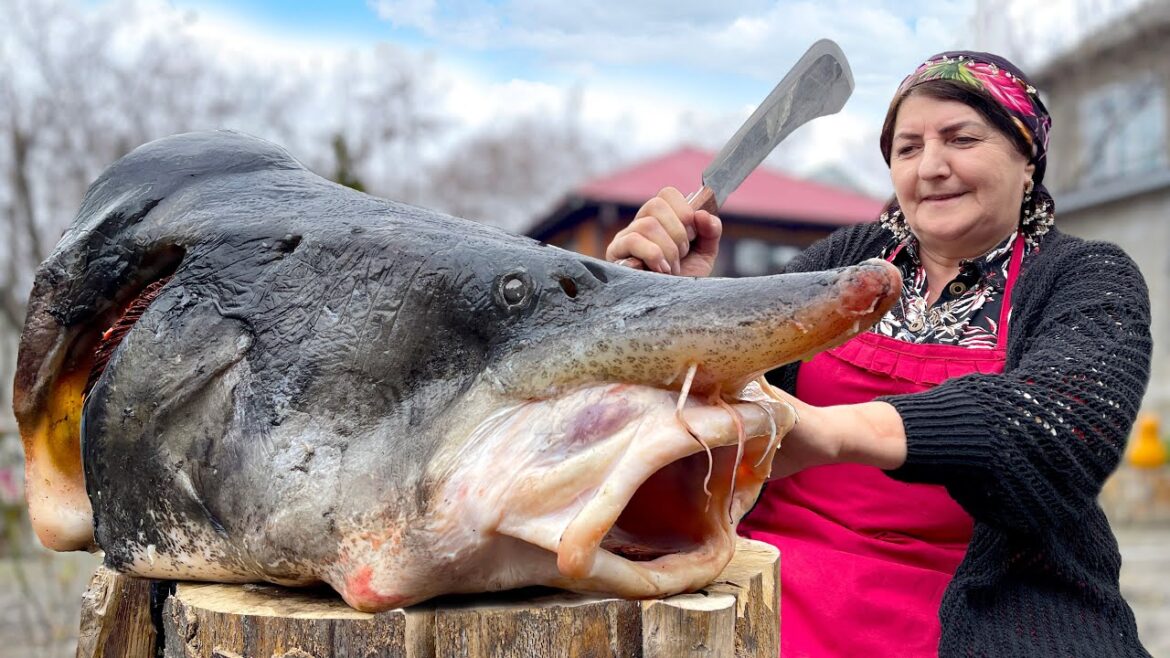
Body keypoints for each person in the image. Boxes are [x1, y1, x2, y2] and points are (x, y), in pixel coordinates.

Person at [606, 51, 1153, 657]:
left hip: (988, 606)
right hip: (770, 580)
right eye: (908, 148)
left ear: (1027, 159)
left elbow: (1064, 425)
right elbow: (710, 400)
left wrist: (830, 432)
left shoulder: (1083, 276)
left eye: (961, 138)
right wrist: (671, 303)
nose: (931, 168)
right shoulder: (843, 263)